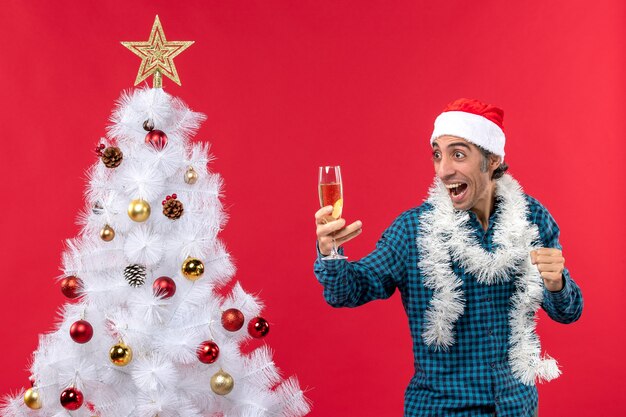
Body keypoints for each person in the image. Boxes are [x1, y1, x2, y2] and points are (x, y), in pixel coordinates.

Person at [313, 98, 583, 417]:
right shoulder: (412, 230)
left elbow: (568, 311)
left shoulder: (531, 219)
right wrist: (330, 252)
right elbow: (348, 291)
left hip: (517, 407)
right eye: (437, 155)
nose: (443, 170)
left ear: (492, 159)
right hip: (442, 408)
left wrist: (556, 283)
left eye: (457, 154)